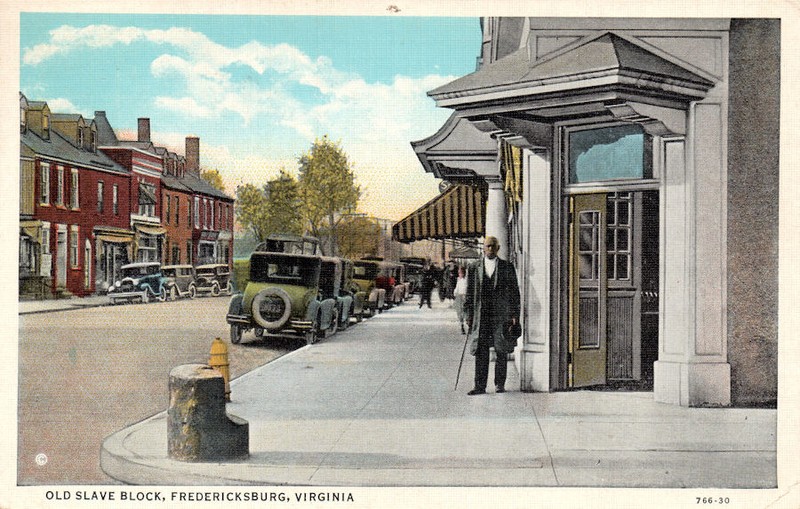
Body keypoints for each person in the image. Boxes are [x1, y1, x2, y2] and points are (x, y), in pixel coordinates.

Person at [464, 236, 520, 395]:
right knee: (481, 350)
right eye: (487, 246)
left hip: (501, 316)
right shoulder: (474, 268)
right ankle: (479, 386)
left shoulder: (507, 267)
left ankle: (499, 384)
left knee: (501, 350)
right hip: (481, 315)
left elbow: (515, 293)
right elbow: (469, 293)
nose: (490, 249)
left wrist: (514, 314)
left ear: (498, 248)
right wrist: (468, 314)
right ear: (483, 248)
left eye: (493, 247)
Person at [453, 266, 468, 334]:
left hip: (465, 296)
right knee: (459, 312)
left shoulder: (467, 280)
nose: (460, 274)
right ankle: (461, 326)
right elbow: (457, 287)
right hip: (459, 296)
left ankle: (468, 323)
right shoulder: (459, 280)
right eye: (459, 273)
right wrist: (455, 293)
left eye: (461, 273)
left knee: (465, 312)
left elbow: (467, 288)